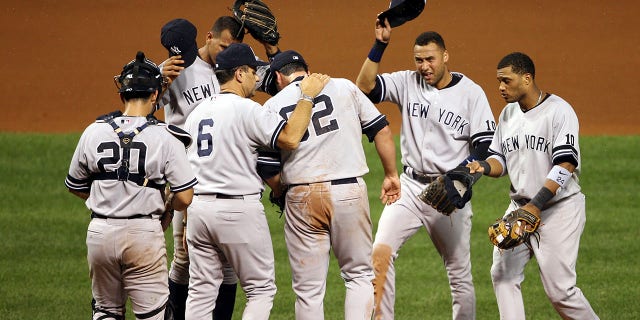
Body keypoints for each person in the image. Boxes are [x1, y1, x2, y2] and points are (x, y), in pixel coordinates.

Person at [355, 18, 497, 319]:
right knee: (380, 252)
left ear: (445, 56)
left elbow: (484, 144)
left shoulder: (471, 93)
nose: (424, 66)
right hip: (410, 187)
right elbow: (365, 86)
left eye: (430, 59)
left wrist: (461, 178)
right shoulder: (408, 82)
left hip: (449, 191)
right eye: (418, 60)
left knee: (459, 275)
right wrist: (379, 45)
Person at [182, 43, 330, 320]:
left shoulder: (197, 114)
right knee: (260, 289)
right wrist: (306, 97)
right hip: (237, 211)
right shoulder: (247, 110)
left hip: (199, 211)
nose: (256, 78)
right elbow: (289, 138)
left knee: (201, 292)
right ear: (239, 74)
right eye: (253, 71)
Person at [262, 50, 401, 320]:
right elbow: (382, 130)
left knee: (308, 290)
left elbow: (266, 167)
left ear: (278, 76)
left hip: (301, 195)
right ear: (307, 69)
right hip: (348, 191)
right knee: (359, 275)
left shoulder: (272, 106)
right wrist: (391, 174)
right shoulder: (344, 87)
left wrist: (280, 192)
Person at [158, 17, 280, 320]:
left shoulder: (233, 69)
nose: (227, 50)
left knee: (218, 271)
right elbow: (141, 106)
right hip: (186, 177)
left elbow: (282, 79)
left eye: (232, 47)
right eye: (224, 46)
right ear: (210, 37)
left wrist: (272, 49)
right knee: (186, 261)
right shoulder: (176, 68)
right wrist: (160, 80)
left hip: (209, 183)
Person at [466, 52, 599, 319]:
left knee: (561, 292)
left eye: (506, 80)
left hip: (557, 210)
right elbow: (500, 160)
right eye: (499, 81)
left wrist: (535, 206)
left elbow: (565, 166)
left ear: (526, 79)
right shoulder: (507, 114)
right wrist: (483, 167)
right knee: (502, 275)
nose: (501, 87)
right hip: (519, 209)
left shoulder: (559, 111)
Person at [65, 51, 197, 320]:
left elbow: (75, 185)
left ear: (122, 94)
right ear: (154, 95)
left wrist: (109, 199)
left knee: (105, 311)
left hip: (100, 233)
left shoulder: (93, 131)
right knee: (154, 314)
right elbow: (185, 197)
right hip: (142, 235)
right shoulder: (165, 137)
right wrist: (167, 207)